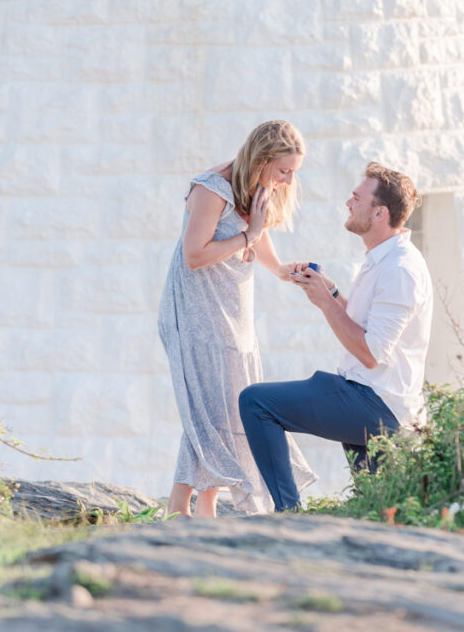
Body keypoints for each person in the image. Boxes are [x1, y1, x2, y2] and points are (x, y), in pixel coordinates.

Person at [239, 161, 433, 512]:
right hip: (370, 399)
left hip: (376, 404)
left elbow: (372, 353)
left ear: (379, 213)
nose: (348, 202)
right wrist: (329, 291)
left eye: (356, 198)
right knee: (379, 509)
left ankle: (290, 515)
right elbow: (367, 326)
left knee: (256, 403)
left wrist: (326, 304)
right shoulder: (383, 258)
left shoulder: (400, 269)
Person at [158, 119, 315, 517]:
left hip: (233, 309)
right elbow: (194, 256)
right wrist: (250, 235)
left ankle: (203, 502)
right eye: (283, 170)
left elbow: (256, 232)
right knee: (212, 404)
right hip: (196, 309)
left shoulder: (258, 186)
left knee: (227, 404)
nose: (288, 179)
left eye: (293, 171)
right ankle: (182, 505)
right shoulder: (212, 189)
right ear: (261, 159)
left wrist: (280, 270)